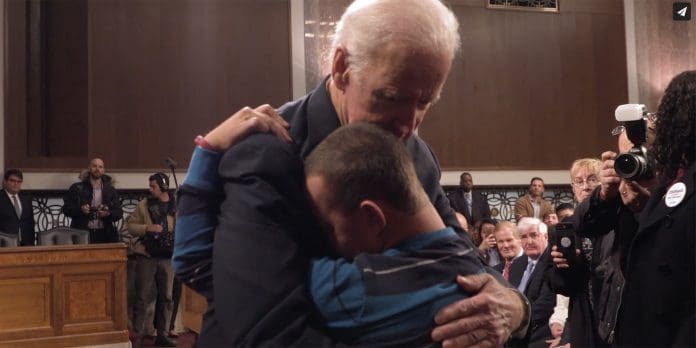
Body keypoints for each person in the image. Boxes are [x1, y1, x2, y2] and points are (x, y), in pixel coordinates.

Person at [174, 2, 529, 345]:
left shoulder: (416, 154)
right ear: (342, 66)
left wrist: (515, 305)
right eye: (392, 96)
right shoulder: (265, 153)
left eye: (425, 102)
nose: (409, 125)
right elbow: (267, 332)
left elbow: (459, 254)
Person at [306, 122, 486, 345]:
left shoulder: (361, 285)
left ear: (372, 217)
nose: (327, 239)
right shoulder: (477, 273)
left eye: (328, 226)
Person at [574, 71, 695, 346]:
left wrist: (650, 204)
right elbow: (584, 225)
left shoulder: (676, 183)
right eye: (626, 157)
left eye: (641, 155)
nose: (633, 163)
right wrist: (604, 195)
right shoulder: (617, 188)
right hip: (625, 315)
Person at [127, 173, 177, 347]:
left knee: (167, 297)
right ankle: (138, 335)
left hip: (168, 258)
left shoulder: (176, 205)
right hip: (147, 256)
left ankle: (162, 334)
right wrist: (147, 228)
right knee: (142, 297)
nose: (150, 189)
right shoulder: (144, 205)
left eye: (153, 186)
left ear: (163, 187)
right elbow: (130, 226)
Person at [508, 217, 556, 347]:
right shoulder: (517, 264)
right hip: (515, 327)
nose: (529, 241)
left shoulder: (553, 262)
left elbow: (546, 304)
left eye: (534, 235)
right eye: (523, 237)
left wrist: (515, 321)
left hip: (540, 327)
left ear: (545, 237)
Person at [63, 158, 123, 243]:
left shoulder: (110, 190)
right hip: (82, 233)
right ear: (89, 168)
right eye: (94, 166)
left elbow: (119, 212)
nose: (97, 169)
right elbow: (66, 209)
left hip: (105, 234)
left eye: (100, 167)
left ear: (103, 170)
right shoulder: (77, 188)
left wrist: (108, 213)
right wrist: (81, 209)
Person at [0, 169, 35, 246]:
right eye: (12, 181)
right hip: (4, 244)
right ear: (5, 182)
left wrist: (32, 244)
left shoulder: (26, 199)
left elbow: (30, 223)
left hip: (26, 244)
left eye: (19, 181)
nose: (16, 184)